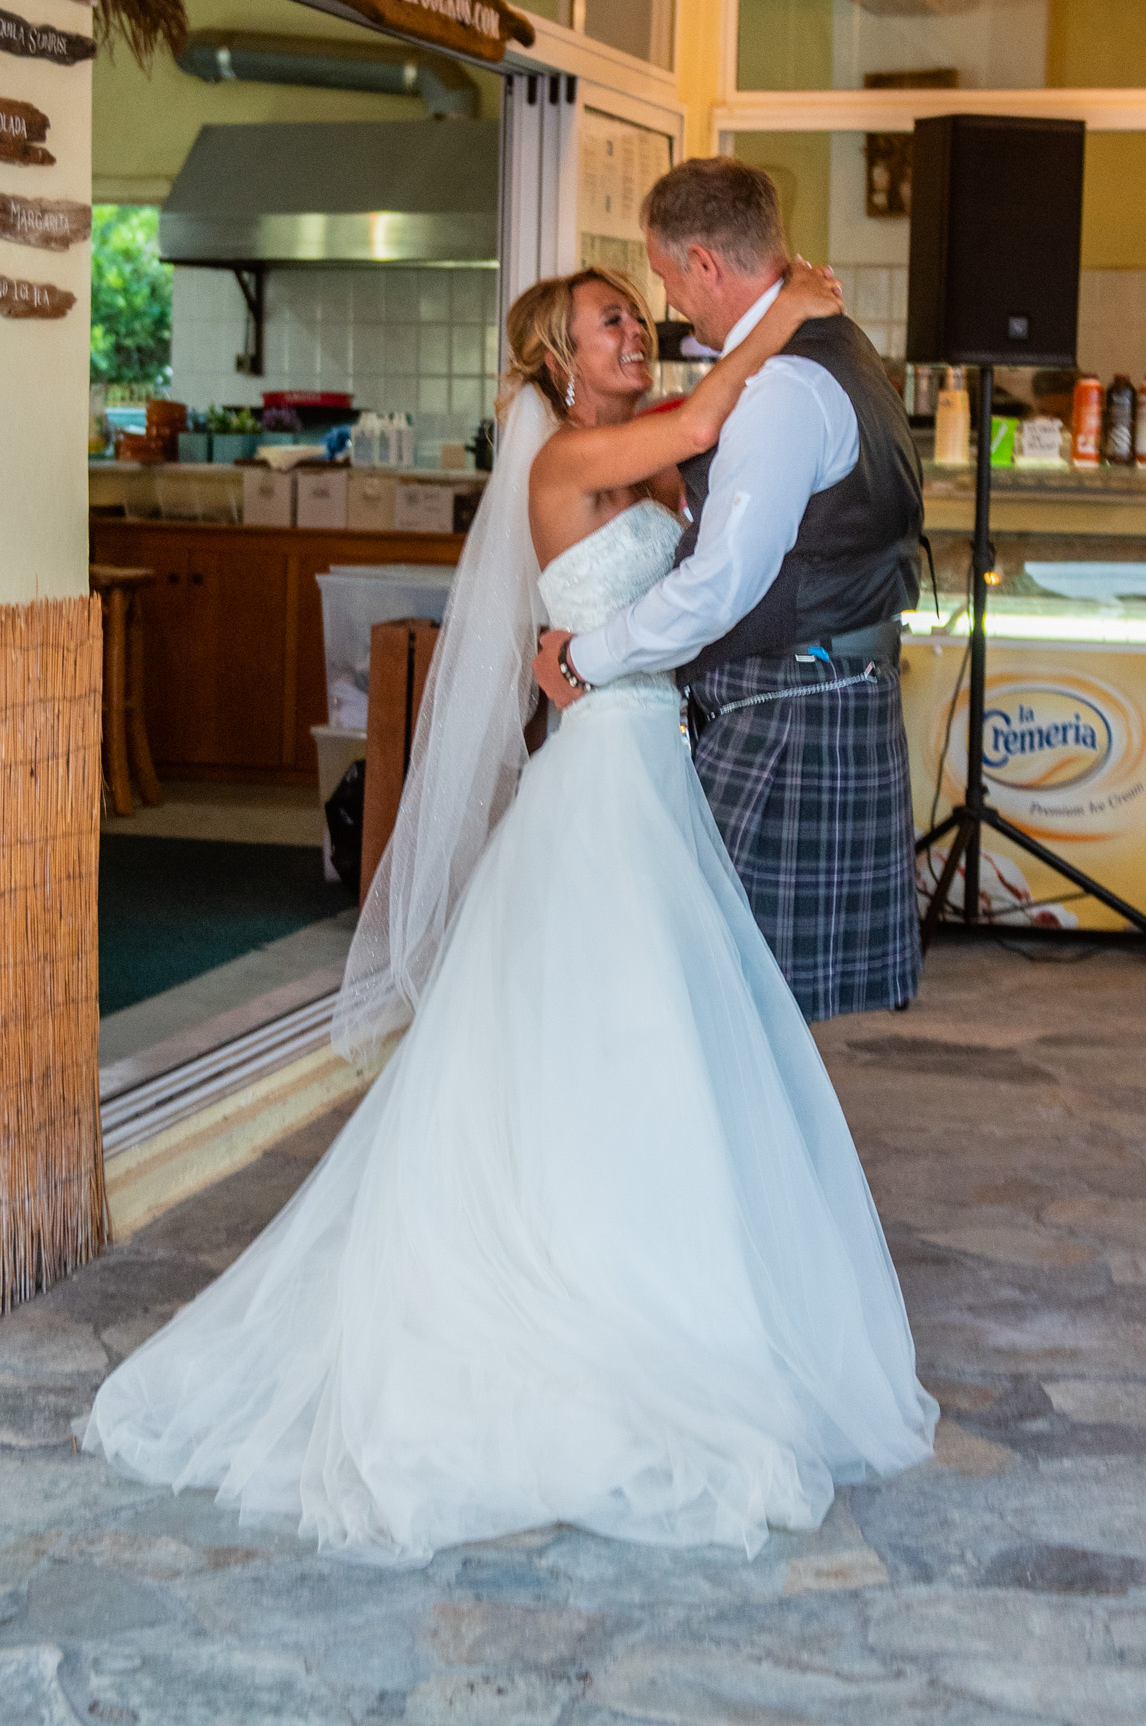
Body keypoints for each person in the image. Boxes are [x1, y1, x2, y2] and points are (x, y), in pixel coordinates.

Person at [80, 263, 935, 1565]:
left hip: (658, 758)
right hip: (602, 779)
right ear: (556, 357)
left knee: (667, 1041)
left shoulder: (645, 470)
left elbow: (705, 539)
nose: (633, 332)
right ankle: (590, 1287)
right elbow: (710, 422)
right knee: (622, 1031)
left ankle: (669, 1280)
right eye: (609, 321)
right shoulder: (567, 468)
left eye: (636, 317)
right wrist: (787, 306)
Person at [535, 159, 925, 1024]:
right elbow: (697, 436)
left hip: (786, 707)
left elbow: (720, 588)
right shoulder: (831, 349)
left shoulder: (783, 386)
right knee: (736, 1000)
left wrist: (587, 658)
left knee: (727, 999)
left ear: (705, 263)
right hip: (812, 696)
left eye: (667, 282)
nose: (666, 309)